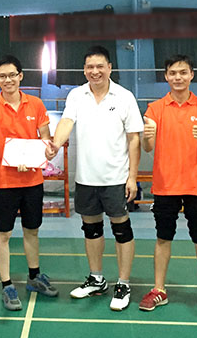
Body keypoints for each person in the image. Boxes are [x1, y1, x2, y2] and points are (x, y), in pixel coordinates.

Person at [138, 55, 197, 316]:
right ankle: (159, 290)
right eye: (172, 73)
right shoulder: (155, 108)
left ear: (192, 74)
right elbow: (148, 146)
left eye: (183, 72)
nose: (178, 77)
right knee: (163, 238)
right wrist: (147, 138)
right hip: (165, 185)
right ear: (166, 76)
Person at [46, 45, 142, 311]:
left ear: (110, 68)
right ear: (84, 70)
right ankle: (97, 279)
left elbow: (134, 139)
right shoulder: (77, 95)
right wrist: (55, 144)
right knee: (91, 229)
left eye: (100, 66)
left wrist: (132, 177)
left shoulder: (124, 97)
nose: (95, 71)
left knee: (122, 229)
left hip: (116, 178)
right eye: (90, 67)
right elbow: (66, 122)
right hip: (86, 178)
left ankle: (123, 283)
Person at [0, 54, 57, 311]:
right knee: (4, 234)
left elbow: (45, 139)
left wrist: (45, 153)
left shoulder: (36, 104)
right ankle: (7, 285)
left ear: (20, 76)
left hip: (32, 179)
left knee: (32, 230)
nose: (7, 80)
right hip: (4, 182)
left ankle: (34, 277)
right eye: (2, 76)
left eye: (12, 75)